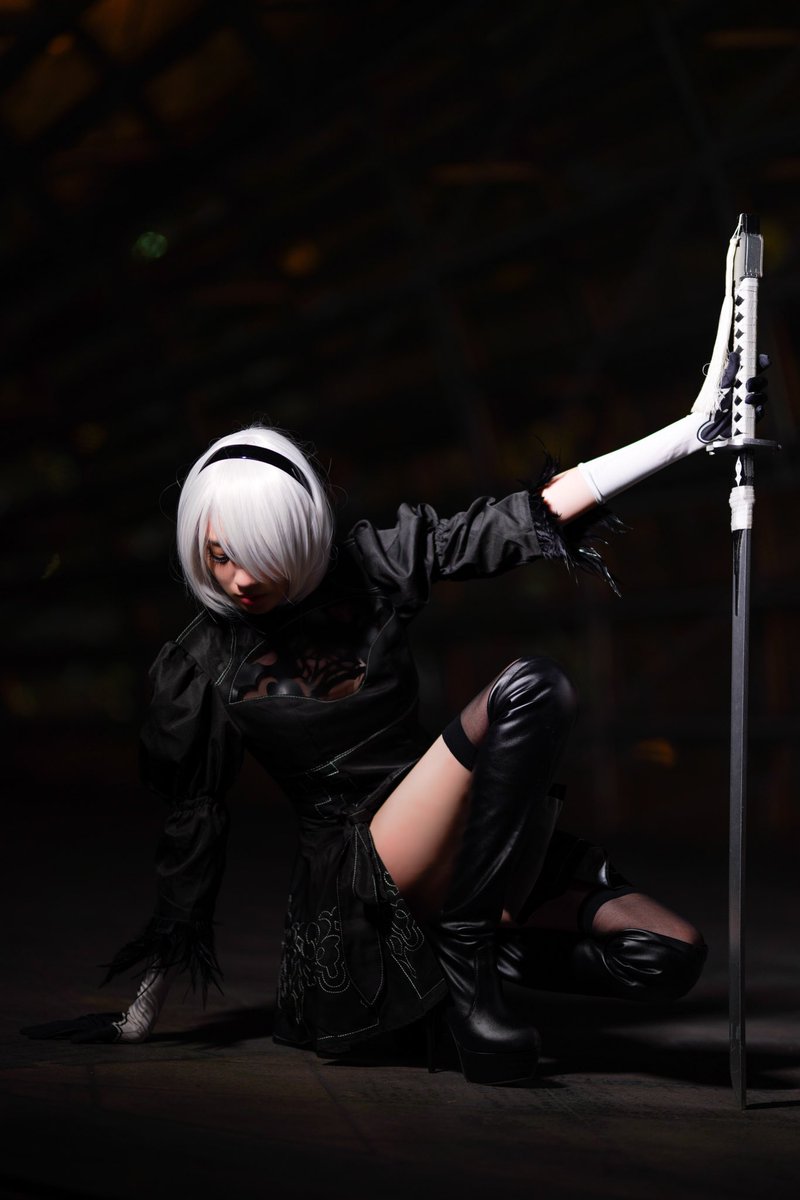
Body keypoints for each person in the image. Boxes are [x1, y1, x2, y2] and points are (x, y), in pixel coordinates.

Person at [22, 351, 767, 1084]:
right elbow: (194, 838)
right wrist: (140, 1010)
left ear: (299, 536)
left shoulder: (369, 568)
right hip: (358, 864)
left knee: (667, 953)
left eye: (261, 554)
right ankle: (467, 957)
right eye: (220, 557)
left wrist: (688, 433)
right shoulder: (201, 665)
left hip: (459, 838)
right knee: (532, 688)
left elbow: (516, 519)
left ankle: (451, 954)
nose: (241, 578)